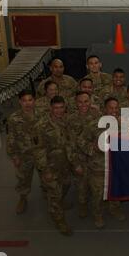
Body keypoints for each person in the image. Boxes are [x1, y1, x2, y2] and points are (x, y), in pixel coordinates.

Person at [77, 98, 126, 228]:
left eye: (116, 108)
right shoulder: (94, 124)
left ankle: (114, 208)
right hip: (98, 167)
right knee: (98, 194)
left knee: (116, 191)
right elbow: (81, 140)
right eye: (111, 108)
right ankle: (98, 215)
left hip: (116, 167)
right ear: (104, 109)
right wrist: (92, 148)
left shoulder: (123, 125)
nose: (114, 111)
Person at [34, 96, 79, 236]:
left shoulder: (67, 121)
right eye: (56, 108)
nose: (59, 111)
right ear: (50, 108)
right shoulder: (41, 126)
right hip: (51, 167)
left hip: (65, 165)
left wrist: (75, 163)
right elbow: (38, 150)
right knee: (54, 194)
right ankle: (60, 221)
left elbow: (71, 143)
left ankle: (60, 202)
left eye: (61, 107)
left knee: (65, 185)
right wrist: (45, 170)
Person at [6, 92, 42, 215]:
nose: (27, 103)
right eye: (24, 100)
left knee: (46, 177)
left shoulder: (42, 115)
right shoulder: (14, 118)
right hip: (24, 154)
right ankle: (23, 198)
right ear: (20, 102)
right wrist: (14, 156)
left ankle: (49, 196)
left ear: (34, 101)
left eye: (30, 100)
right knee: (23, 179)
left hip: (40, 153)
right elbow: (11, 138)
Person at [68, 91, 101, 218]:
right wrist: (75, 164)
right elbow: (69, 144)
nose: (83, 104)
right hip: (79, 159)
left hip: (95, 159)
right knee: (81, 187)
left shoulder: (97, 116)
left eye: (86, 101)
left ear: (90, 102)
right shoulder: (71, 119)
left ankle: (97, 210)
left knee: (96, 188)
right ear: (76, 103)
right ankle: (82, 206)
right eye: (80, 102)